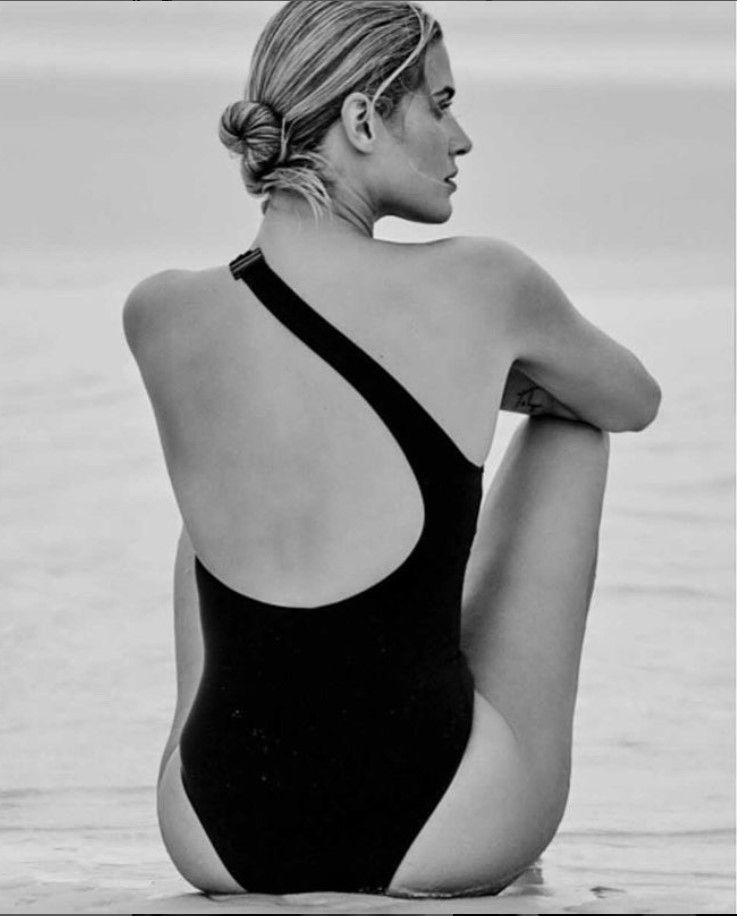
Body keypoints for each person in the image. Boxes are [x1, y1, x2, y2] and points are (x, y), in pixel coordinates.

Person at [122, 0, 661, 898]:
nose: (461, 138)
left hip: (213, 828)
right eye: (439, 104)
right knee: (573, 425)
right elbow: (631, 399)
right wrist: (490, 380)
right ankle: (484, 805)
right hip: (441, 823)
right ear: (364, 118)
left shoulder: (158, 310)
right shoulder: (484, 281)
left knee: (225, 494)